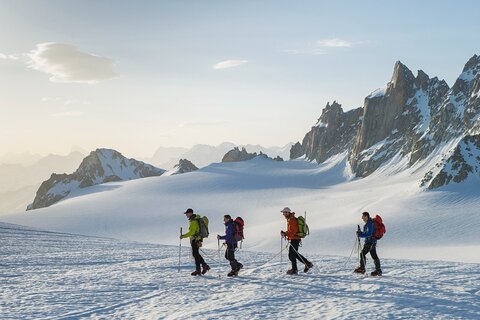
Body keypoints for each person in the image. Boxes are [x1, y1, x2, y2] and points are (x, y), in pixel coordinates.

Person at [280, 207, 313, 275]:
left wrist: (285, 233)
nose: (283, 214)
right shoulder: (290, 219)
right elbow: (291, 231)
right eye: (283, 213)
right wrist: (286, 233)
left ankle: (295, 269)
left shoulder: (292, 220)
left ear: (287, 212)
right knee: (294, 254)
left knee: (292, 255)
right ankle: (306, 264)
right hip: (295, 239)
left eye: (284, 213)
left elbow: (293, 231)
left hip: (295, 239)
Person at [180, 208, 210, 276]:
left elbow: (192, 232)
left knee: (195, 254)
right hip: (197, 238)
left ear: (190, 213)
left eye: (187, 213)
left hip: (195, 239)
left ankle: (201, 268)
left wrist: (183, 236)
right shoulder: (194, 220)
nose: (186, 215)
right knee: (196, 254)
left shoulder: (193, 221)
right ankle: (201, 268)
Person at [354, 211, 382, 276]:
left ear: (366, 216)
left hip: (370, 242)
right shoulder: (369, 223)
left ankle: (362, 269)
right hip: (372, 242)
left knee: (362, 254)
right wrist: (360, 233)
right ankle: (378, 271)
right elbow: (366, 233)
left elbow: (369, 234)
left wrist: (360, 235)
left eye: (363, 217)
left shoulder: (370, 223)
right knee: (374, 256)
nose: (362, 218)